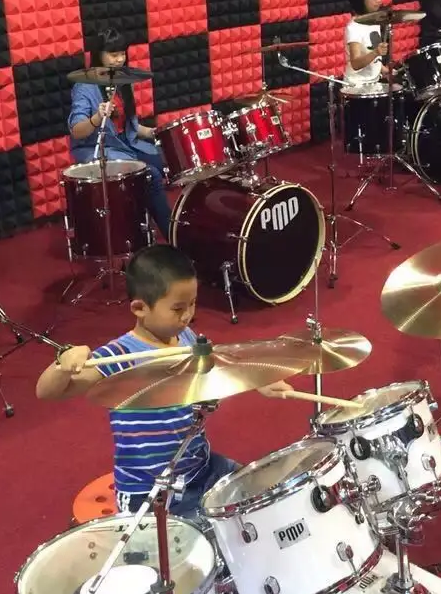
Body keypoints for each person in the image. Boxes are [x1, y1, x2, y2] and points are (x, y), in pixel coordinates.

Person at [36, 244, 295, 517]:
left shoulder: (186, 337)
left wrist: (257, 381)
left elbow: (217, 365)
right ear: (139, 308)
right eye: (178, 308)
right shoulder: (119, 355)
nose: (188, 315)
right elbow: (47, 392)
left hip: (201, 468)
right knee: (204, 537)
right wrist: (62, 365)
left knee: (260, 500)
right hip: (150, 491)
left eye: (192, 303)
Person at [68, 29, 171, 238]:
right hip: (98, 148)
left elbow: (131, 127)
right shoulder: (84, 87)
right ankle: (173, 235)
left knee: (169, 161)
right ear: (99, 55)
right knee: (150, 174)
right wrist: (97, 117)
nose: (119, 59)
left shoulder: (124, 82)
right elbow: (76, 131)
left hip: (127, 144)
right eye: (113, 54)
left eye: (122, 54)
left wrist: (156, 133)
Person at [345, 0, 391, 85]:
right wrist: (376, 52)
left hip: (374, 82)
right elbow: (356, 64)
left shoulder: (374, 21)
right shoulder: (354, 28)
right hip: (356, 86)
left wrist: (383, 69)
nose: (379, 0)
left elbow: (373, 58)